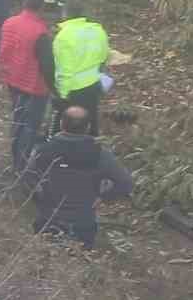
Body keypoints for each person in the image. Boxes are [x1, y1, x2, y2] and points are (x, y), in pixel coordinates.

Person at [21, 106, 133, 249]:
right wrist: (105, 197)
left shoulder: (42, 150)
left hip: (47, 221)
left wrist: (40, 197)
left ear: (61, 123)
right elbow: (125, 183)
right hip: (82, 226)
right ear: (88, 127)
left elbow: (27, 178)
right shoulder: (100, 154)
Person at [0, 0, 56, 174]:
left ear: (24, 4)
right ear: (41, 8)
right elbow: (47, 65)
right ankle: (20, 167)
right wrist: (54, 88)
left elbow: (4, 48)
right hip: (34, 86)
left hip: (13, 80)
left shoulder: (9, 23)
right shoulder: (40, 31)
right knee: (30, 127)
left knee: (18, 119)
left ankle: (14, 156)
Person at [50, 1, 108, 137]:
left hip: (73, 90)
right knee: (91, 120)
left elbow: (64, 70)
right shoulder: (98, 30)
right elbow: (104, 57)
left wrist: (62, 95)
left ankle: (62, 154)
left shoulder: (63, 37)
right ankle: (92, 150)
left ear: (65, 15)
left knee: (67, 127)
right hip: (94, 84)